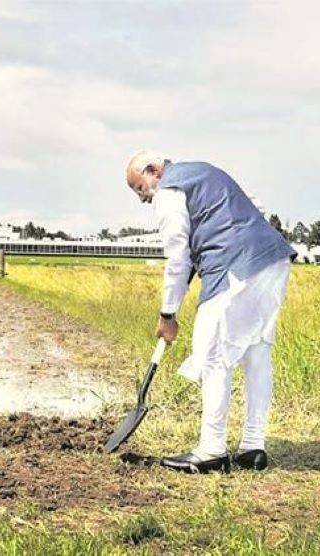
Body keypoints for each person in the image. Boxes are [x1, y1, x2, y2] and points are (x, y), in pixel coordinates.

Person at [125, 151, 296, 473]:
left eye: (140, 188)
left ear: (153, 171)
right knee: (257, 351)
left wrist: (167, 314)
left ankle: (212, 451)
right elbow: (255, 208)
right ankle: (252, 447)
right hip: (273, 260)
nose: (143, 199)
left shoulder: (168, 191)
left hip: (234, 268)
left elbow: (177, 254)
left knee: (214, 355)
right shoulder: (207, 172)